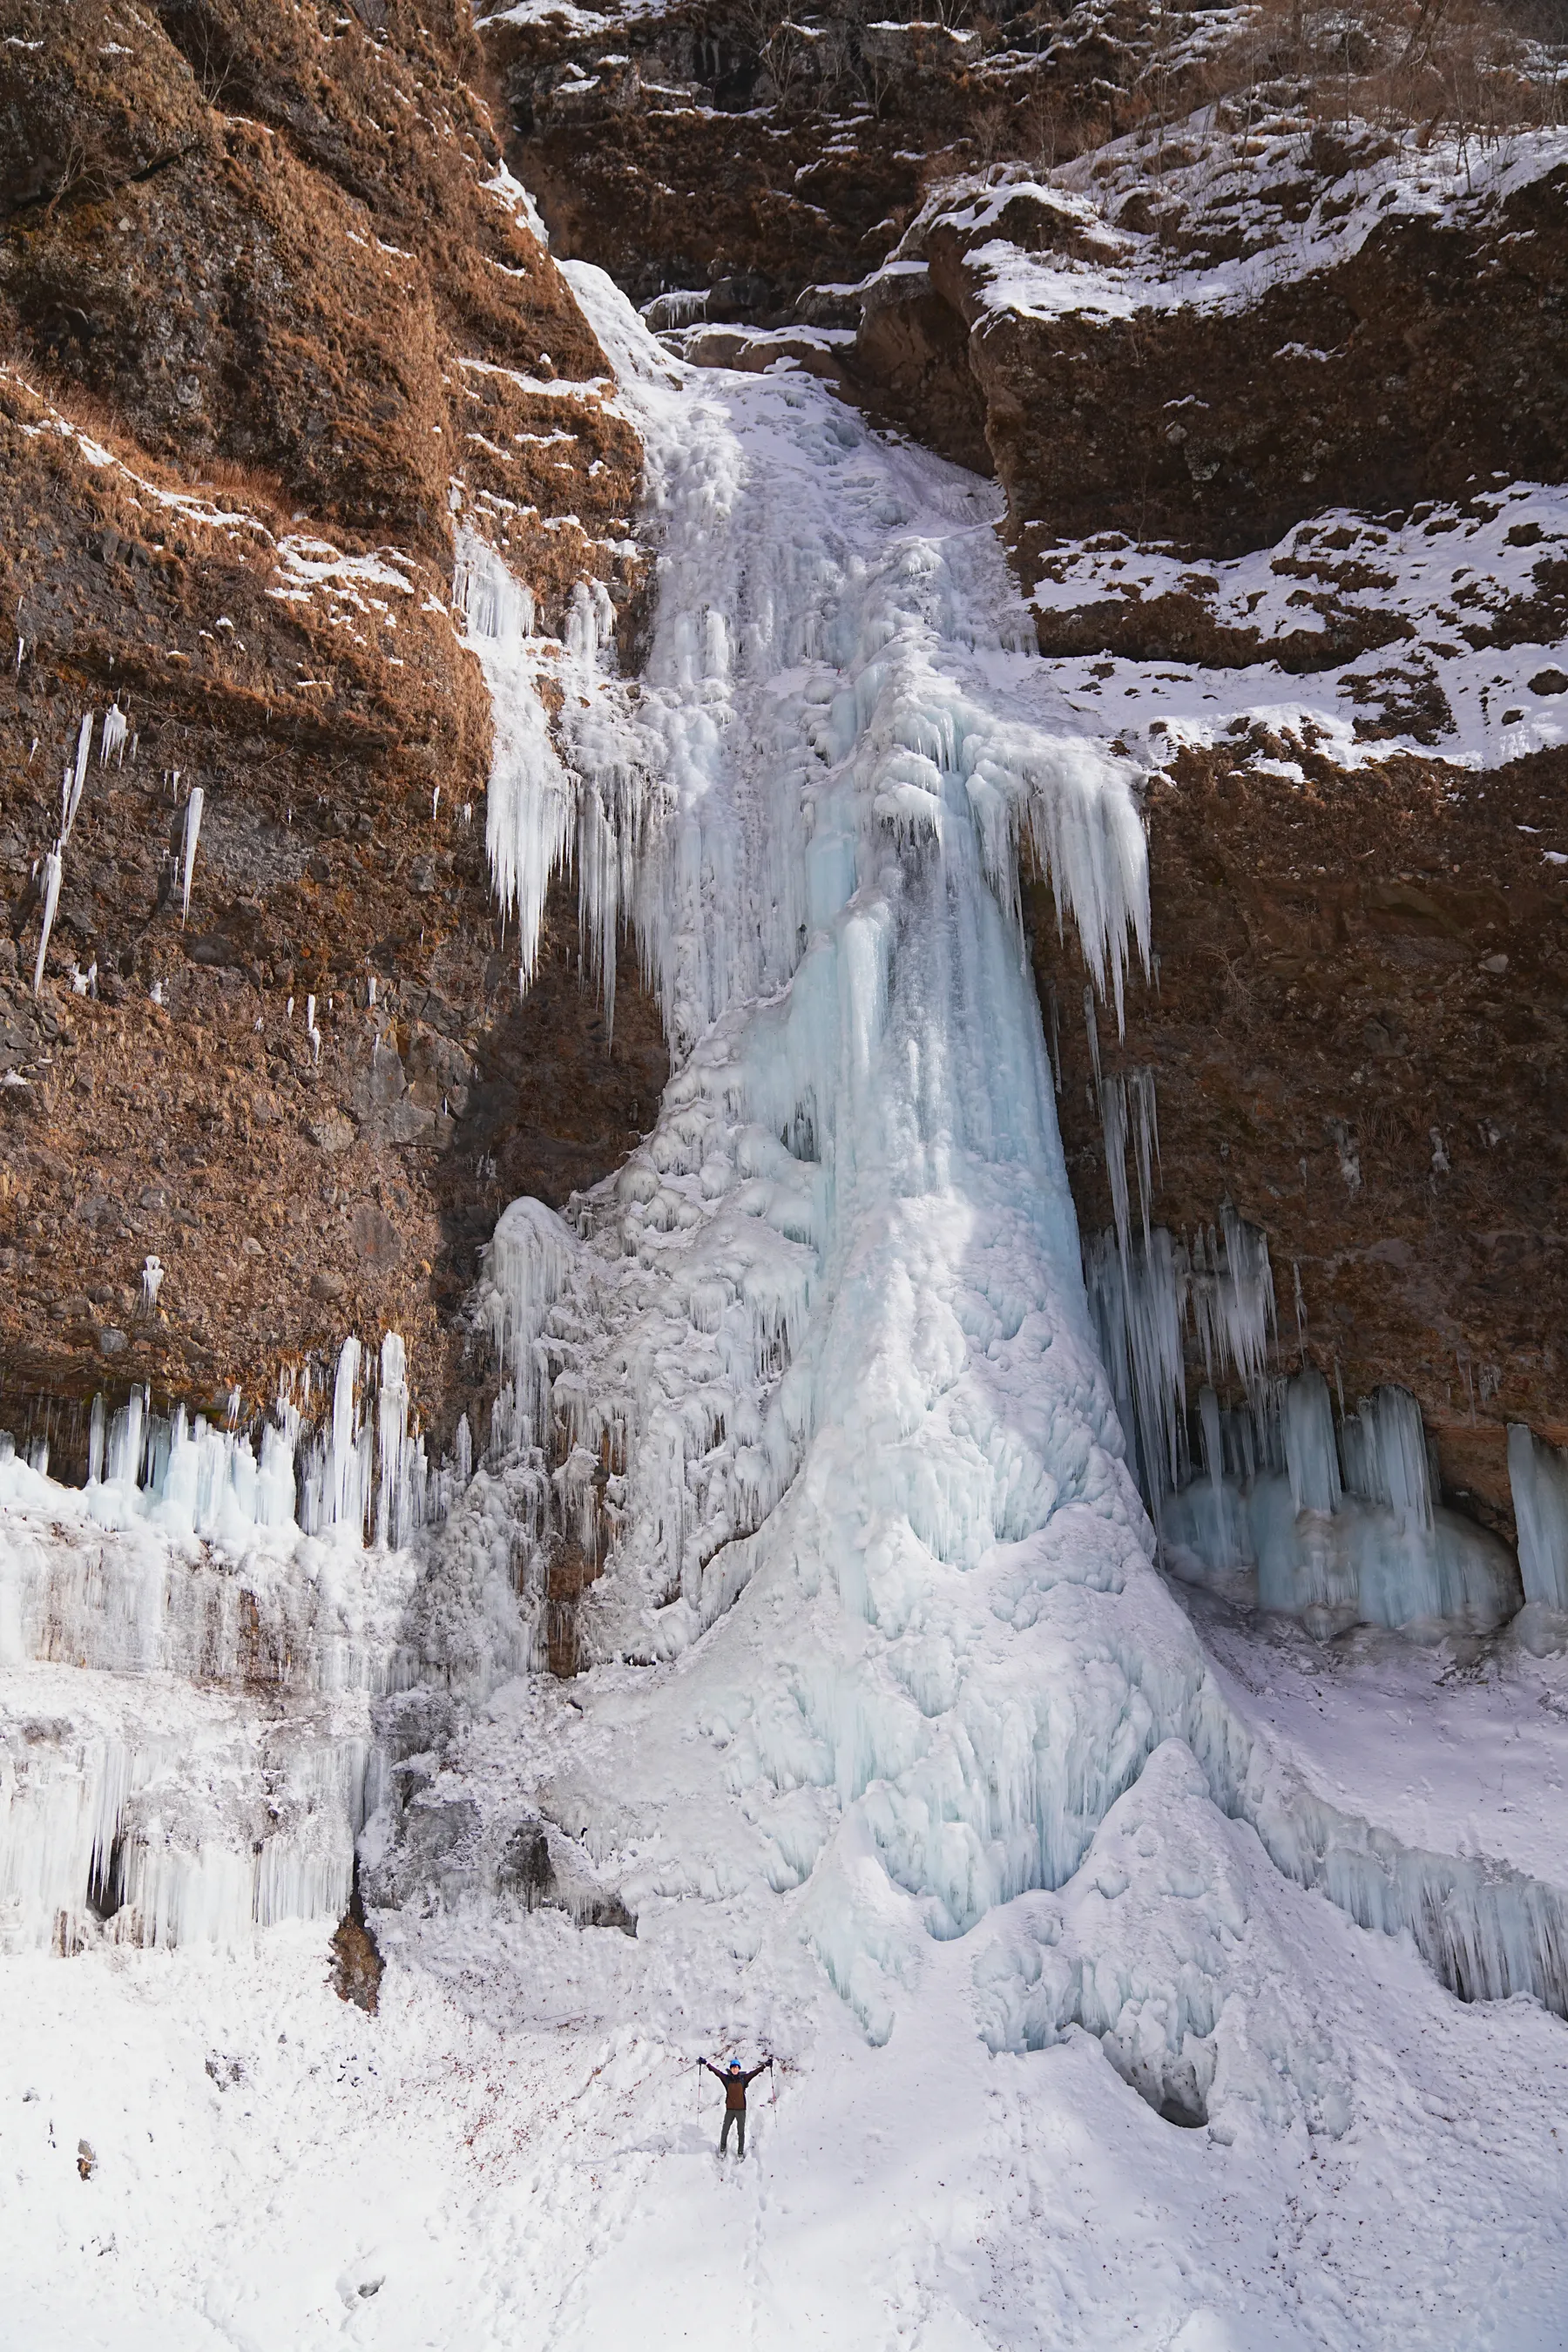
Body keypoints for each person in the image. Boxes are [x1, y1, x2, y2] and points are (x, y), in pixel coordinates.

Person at [701, 2054, 773, 2158]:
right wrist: (706, 2063)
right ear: (731, 2069)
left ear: (739, 2069)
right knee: (725, 2130)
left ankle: (740, 2153)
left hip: (741, 2110)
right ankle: (722, 2149)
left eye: (736, 2067)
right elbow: (716, 2072)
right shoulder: (726, 2079)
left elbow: (755, 2073)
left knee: (741, 2132)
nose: (735, 2069)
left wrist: (765, 2065)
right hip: (730, 2110)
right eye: (733, 2067)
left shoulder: (744, 2078)